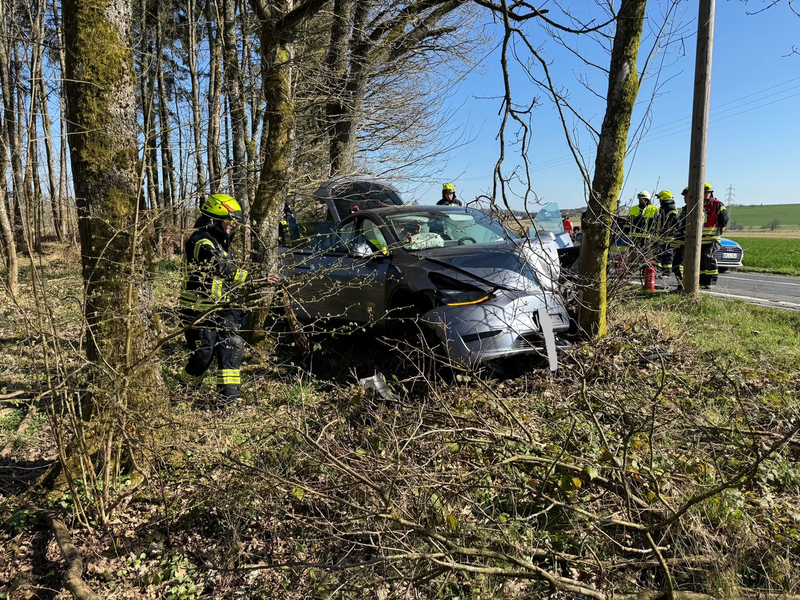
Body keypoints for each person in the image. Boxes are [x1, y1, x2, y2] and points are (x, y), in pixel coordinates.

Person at [178, 194, 274, 408]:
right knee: (204, 354)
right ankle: (183, 394)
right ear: (214, 220)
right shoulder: (200, 241)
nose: (232, 225)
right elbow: (221, 268)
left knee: (232, 347)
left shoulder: (219, 243)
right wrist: (255, 280)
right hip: (197, 312)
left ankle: (227, 402)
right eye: (228, 220)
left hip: (221, 310)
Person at [699, 183, 728, 289]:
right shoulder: (699, 205)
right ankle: (702, 281)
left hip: (713, 238)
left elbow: (724, 219)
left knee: (708, 257)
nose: (706, 194)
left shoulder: (717, 204)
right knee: (701, 260)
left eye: (707, 192)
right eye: (704, 192)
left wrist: (719, 231)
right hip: (701, 239)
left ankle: (711, 281)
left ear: (711, 193)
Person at [625, 190, 659, 258]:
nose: (640, 201)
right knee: (633, 256)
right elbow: (628, 222)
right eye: (639, 199)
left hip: (647, 238)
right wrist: (626, 230)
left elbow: (657, 223)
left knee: (644, 257)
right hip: (634, 237)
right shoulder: (633, 208)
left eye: (642, 199)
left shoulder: (654, 209)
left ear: (647, 200)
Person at [654, 190, 678, 277]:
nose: (659, 201)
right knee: (661, 254)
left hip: (668, 236)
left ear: (664, 199)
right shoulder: (664, 208)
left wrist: (668, 232)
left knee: (667, 254)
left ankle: (667, 272)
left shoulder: (670, 209)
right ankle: (660, 271)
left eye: (660, 199)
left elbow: (673, 223)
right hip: (662, 235)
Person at [669, 188, 689, 292]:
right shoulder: (684, 210)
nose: (684, 198)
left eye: (686, 196)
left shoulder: (694, 210)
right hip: (678, 243)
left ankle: (683, 287)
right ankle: (680, 287)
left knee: (679, 265)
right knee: (676, 265)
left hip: (685, 243)